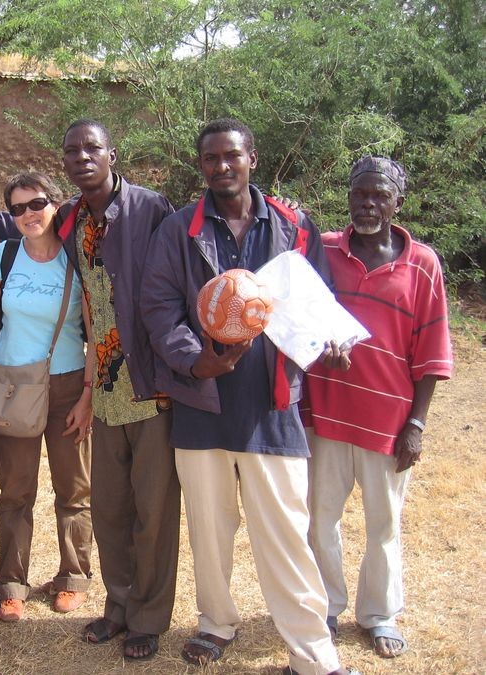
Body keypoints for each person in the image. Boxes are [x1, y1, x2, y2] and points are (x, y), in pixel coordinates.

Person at [141, 118, 355, 675]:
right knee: (209, 531)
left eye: (231, 155)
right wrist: (196, 361)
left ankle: (312, 655)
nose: (221, 166)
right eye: (210, 158)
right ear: (200, 166)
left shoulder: (293, 225)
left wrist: (327, 342)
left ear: (252, 158)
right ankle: (216, 622)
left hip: (272, 405)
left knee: (286, 534)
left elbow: (319, 299)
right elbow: (159, 308)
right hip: (201, 403)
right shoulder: (178, 229)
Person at [303, 156, 453, 658]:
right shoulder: (323, 249)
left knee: (383, 524)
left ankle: (379, 613)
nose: (368, 204)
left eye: (380, 196)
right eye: (360, 194)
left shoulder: (422, 264)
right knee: (319, 518)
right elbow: (298, 312)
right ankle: (325, 606)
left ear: (398, 203)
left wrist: (417, 424)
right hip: (326, 414)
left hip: (388, 421)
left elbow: (431, 350)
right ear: (348, 197)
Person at [57, 119, 181, 660]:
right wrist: (88, 390)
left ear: (112, 154)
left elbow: (178, 285)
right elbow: (90, 306)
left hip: (151, 388)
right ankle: (118, 605)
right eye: (73, 150)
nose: (83, 157)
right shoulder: (72, 219)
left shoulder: (150, 209)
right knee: (109, 510)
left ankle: (148, 618)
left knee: (153, 513)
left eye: (93, 148)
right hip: (106, 391)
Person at [0, 172, 95, 622]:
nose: (28, 214)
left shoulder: (76, 259)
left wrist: (87, 395)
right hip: (11, 387)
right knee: (14, 491)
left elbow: (94, 330)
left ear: (55, 204)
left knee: (74, 487)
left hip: (67, 386)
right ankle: (11, 585)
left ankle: (73, 577)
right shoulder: (5, 256)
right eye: (18, 208)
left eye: (37, 203)